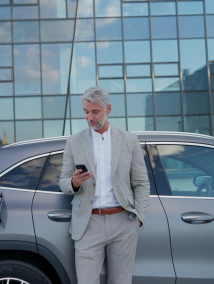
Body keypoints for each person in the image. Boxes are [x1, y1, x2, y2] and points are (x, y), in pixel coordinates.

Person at [59, 86, 150, 284]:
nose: (89, 117)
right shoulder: (74, 142)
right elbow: (63, 182)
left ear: (108, 109)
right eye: (85, 111)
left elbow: (141, 182)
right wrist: (74, 182)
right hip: (88, 223)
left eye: (95, 111)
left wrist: (138, 218)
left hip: (123, 221)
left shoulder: (128, 140)